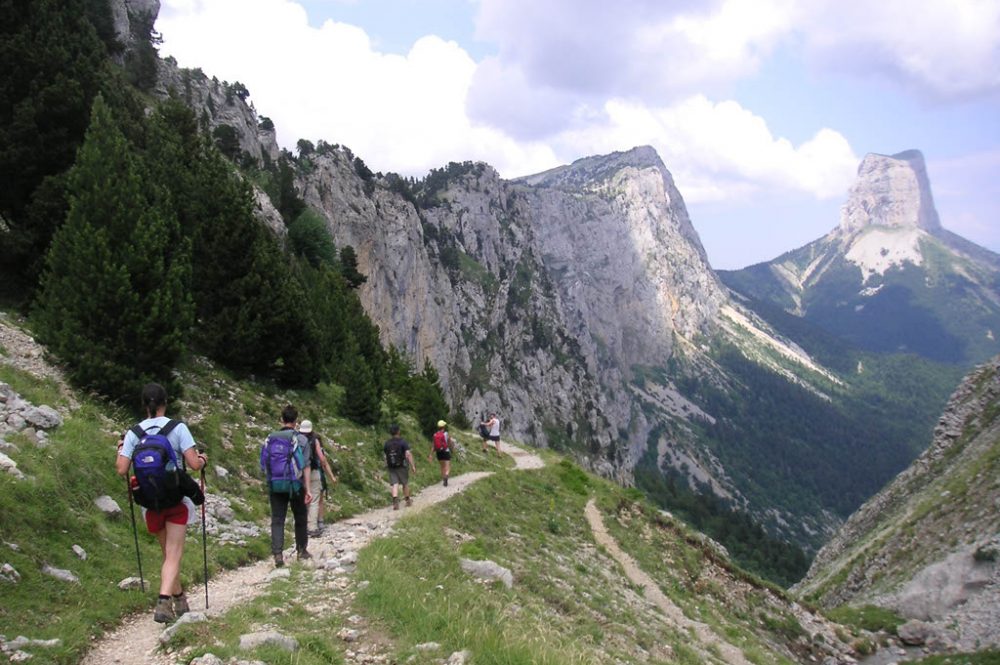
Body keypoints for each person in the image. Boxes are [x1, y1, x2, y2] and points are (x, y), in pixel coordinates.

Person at [116, 383, 207, 624]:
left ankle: (179, 598)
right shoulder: (178, 428)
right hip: (176, 499)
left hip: (150, 502)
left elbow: (121, 469)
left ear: (144, 405)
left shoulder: (134, 433)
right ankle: (164, 600)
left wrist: (120, 450)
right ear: (165, 402)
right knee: (174, 554)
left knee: (168, 555)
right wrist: (203, 459)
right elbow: (195, 465)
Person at [261, 405, 312, 567]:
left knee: (277, 519)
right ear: (296, 421)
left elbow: (263, 463)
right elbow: (306, 466)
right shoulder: (302, 440)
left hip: (275, 484)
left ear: (281, 420)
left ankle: (277, 554)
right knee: (300, 517)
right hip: (295, 485)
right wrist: (308, 489)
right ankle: (301, 550)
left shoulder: (270, 438)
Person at [301, 419, 337, 537]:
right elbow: (322, 459)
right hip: (313, 472)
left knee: (302, 499)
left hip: (299, 473)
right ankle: (312, 527)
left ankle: (302, 525)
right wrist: (331, 476)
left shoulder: (296, 438)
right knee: (314, 500)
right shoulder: (314, 440)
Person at [383, 424, 415, 510]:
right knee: (405, 483)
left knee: (395, 484)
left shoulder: (387, 443)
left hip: (391, 466)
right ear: (398, 431)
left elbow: (385, 456)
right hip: (402, 466)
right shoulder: (403, 442)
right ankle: (408, 501)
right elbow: (408, 454)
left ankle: (395, 502)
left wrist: (386, 464)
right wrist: (413, 466)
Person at [429, 419, 452, 486]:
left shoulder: (435, 435)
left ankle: (443, 479)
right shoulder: (446, 434)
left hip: (439, 452)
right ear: (443, 427)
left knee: (442, 466)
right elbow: (449, 442)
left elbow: (433, 445)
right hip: (446, 451)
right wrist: (451, 448)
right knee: (448, 466)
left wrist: (431, 454)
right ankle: (447, 475)